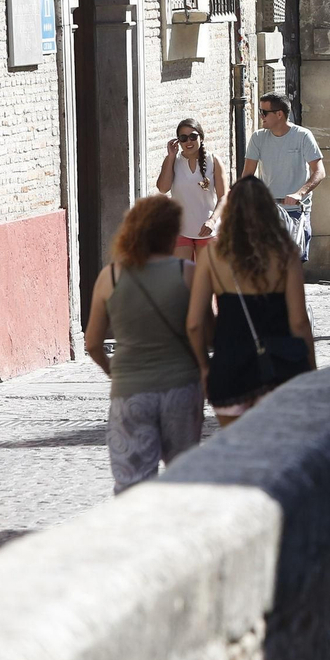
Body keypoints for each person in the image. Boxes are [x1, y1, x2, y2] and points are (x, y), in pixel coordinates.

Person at [84, 195, 207, 494]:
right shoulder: (187, 273)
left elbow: (92, 343)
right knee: (183, 480)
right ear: (171, 232)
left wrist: (115, 373)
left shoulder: (109, 277)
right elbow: (205, 330)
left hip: (130, 390)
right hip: (181, 387)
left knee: (132, 486)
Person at [187, 177, 316, 427]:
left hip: (230, 365)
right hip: (279, 366)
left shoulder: (213, 256)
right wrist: (310, 368)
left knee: (237, 451)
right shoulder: (285, 254)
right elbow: (299, 321)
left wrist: (204, 367)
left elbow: (194, 322)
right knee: (276, 450)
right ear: (268, 209)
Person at [242, 93, 325, 262]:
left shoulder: (302, 136)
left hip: (295, 212)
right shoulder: (258, 138)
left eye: (264, 112)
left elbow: (319, 171)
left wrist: (299, 194)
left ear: (279, 114)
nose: (261, 116)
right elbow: (247, 175)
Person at [154, 117, 227, 262]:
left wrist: (212, 221)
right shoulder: (172, 161)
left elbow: (223, 197)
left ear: (201, 137)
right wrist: (171, 156)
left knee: (205, 280)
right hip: (181, 230)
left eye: (193, 137)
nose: (189, 142)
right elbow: (163, 188)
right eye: (183, 138)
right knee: (182, 279)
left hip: (207, 231)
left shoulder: (214, 161)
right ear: (178, 141)